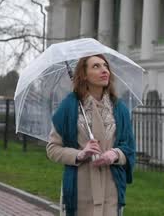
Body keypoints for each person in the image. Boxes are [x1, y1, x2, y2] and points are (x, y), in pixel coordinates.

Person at [47, 54, 136, 216]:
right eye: (96, 66)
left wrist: (115, 154)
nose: (104, 70)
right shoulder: (69, 107)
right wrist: (79, 154)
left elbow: (129, 148)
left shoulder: (119, 109)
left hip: (111, 188)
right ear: (84, 75)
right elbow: (52, 148)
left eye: (105, 66)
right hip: (80, 188)